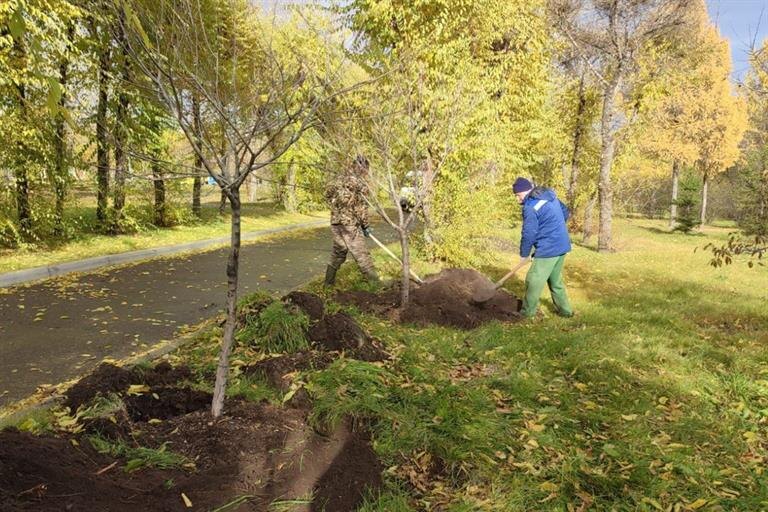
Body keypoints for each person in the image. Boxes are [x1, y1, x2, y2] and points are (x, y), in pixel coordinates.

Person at [513, 177, 574, 318]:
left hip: (549, 248)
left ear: (525, 191)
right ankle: (565, 311)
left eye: (518, 195)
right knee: (555, 280)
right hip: (562, 244)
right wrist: (553, 227)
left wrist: (524, 253)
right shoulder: (549, 196)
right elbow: (565, 212)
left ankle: (526, 313)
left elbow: (529, 233)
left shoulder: (530, 206)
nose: (517, 199)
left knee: (533, 280)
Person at [324, 155, 379, 286]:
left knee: (339, 253)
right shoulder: (361, 184)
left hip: (336, 223)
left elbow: (327, 194)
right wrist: (365, 226)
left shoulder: (339, 180)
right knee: (362, 255)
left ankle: (328, 284)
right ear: (363, 169)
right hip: (350, 225)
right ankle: (376, 285)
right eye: (366, 169)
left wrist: (336, 208)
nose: (366, 172)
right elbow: (361, 208)